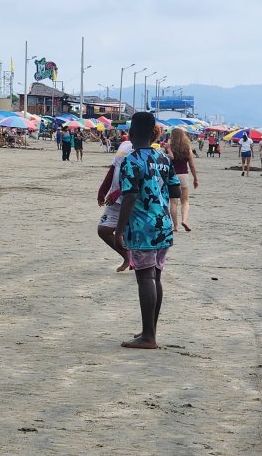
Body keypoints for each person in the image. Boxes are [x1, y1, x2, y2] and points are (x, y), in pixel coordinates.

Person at [115, 112, 180, 350]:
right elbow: (175, 191)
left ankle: (148, 337)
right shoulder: (164, 159)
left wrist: (119, 230)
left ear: (130, 134)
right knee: (156, 277)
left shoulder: (131, 161)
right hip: (163, 225)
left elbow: (129, 196)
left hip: (142, 227)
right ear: (154, 133)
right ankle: (149, 330)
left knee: (144, 278)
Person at [96, 137, 134, 271]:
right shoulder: (124, 145)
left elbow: (139, 180)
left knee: (127, 233)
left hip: (134, 200)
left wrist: (118, 192)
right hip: (115, 199)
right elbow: (113, 169)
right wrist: (103, 190)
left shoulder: (145, 151)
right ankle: (127, 257)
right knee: (103, 230)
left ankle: (140, 262)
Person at [167, 128, 199, 232]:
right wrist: (195, 178)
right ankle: (184, 220)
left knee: (173, 202)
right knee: (185, 201)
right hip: (184, 176)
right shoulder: (187, 148)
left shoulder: (169, 147)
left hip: (172, 176)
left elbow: (166, 161)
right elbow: (192, 165)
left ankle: (175, 226)